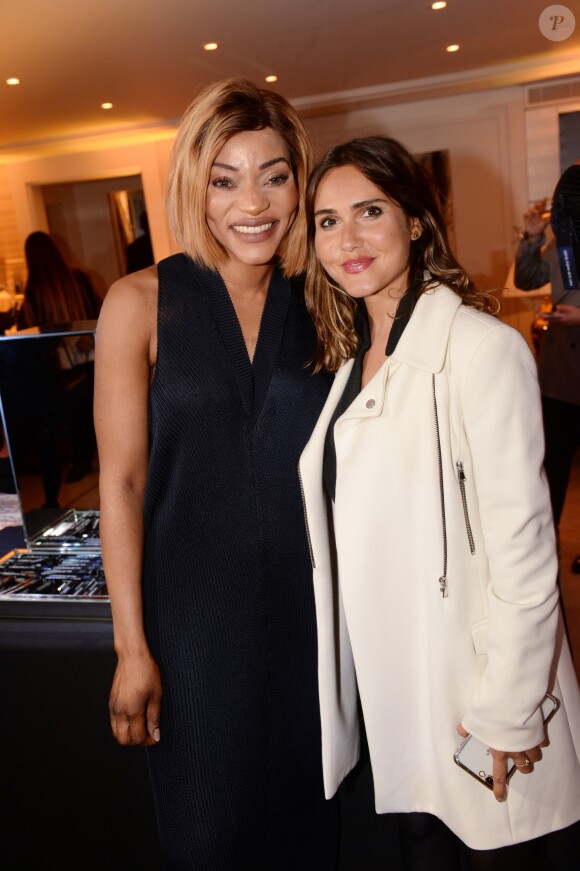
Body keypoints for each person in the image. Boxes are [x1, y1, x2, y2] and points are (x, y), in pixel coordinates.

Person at [298, 136, 580, 869]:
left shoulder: (482, 349)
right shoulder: (348, 363)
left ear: (417, 220)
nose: (346, 239)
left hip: (473, 684)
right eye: (326, 221)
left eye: (369, 211)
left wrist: (509, 710)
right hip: (397, 684)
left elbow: (524, 549)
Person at [94, 79, 337, 870]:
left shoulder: (329, 302)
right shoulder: (140, 302)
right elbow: (122, 485)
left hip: (313, 620)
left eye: (274, 174)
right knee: (207, 839)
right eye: (225, 179)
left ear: (300, 183)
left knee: (311, 834)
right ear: (194, 187)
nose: (252, 202)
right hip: (192, 624)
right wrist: (132, 646)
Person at [514, 164, 580, 575]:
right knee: (552, 466)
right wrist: (532, 237)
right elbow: (525, 280)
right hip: (558, 377)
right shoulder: (561, 244)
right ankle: (547, 547)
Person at [19, 230, 101, 328]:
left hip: (53, 343)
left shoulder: (33, 292)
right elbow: (100, 312)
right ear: (54, 250)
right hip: (88, 340)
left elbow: (26, 331)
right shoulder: (80, 279)